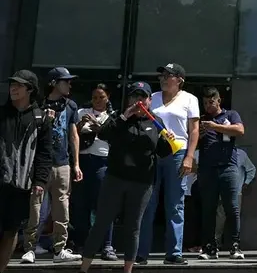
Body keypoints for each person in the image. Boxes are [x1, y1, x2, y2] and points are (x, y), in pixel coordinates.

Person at [77, 82, 174, 273]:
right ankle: (84, 268)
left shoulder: (155, 122)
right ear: (129, 99)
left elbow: (163, 152)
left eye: (143, 97)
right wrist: (125, 115)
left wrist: (169, 140)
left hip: (142, 183)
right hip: (115, 179)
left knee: (133, 227)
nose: (139, 101)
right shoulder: (118, 118)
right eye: (134, 96)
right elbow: (104, 133)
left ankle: (128, 270)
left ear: (149, 100)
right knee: (101, 223)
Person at [137, 63, 200, 265]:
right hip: (152, 154)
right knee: (147, 203)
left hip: (177, 153)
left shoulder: (190, 99)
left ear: (180, 79)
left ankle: (174, 253)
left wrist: (189, 157)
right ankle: (140, 253)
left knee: (175, 204)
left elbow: (195, 130)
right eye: (162, 75)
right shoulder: (151, 97)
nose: (163, 78)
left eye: (168, 75)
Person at [21, 67, 82, 264]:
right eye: (65, 81)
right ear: (54, 83)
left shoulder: (70, 106)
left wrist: (76, 164)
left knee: (62, 207)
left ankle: (59, 249)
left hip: (63, 162)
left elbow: (74, 135)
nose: (69, 85)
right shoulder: (38, 105)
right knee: (36, 206)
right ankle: (29, 247)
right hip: (41, 163)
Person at [0, 71, 52, 273]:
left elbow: (45, 154)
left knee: (11, 230)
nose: (13, 88)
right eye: (12, 84)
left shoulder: (41, 119)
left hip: (21, 185)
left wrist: (40, 181)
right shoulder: (2, 113)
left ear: (30, 89)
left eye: (19, 85)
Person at [197, 87, 245, 260]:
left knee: (232, 208)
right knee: (208, 209)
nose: (208, 106)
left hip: (228, 167)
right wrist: (198, 135)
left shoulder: (231, 115)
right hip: (207, 169)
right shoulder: (201, 120)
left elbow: (240, 131)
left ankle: (234, 246)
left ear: (219, 101)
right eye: (204, 103)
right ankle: (210, 248)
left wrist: (215, 127)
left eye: (211, 102)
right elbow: (191, 142)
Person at [72, 84, 116, 260]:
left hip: (102, 162)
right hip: (82, 160)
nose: (98, 101)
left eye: (102, 97)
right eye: (95, 97)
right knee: (81, 205)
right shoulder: (82, 112)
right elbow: (73, 135)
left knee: (103, 205)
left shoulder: (113, 117)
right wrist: (80, 125)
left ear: (108, 98)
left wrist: (101, 128)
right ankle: (82, 244)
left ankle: (107, 245)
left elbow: (117, 139)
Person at [215, 147, 255, 249]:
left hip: (237, 192)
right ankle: (216, 242)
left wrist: (246, 183)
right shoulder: (216, 151)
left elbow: (251, 169)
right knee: (220, 218)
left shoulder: (240, 153)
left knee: (234, 217)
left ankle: (234, 244)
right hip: (220, 190)